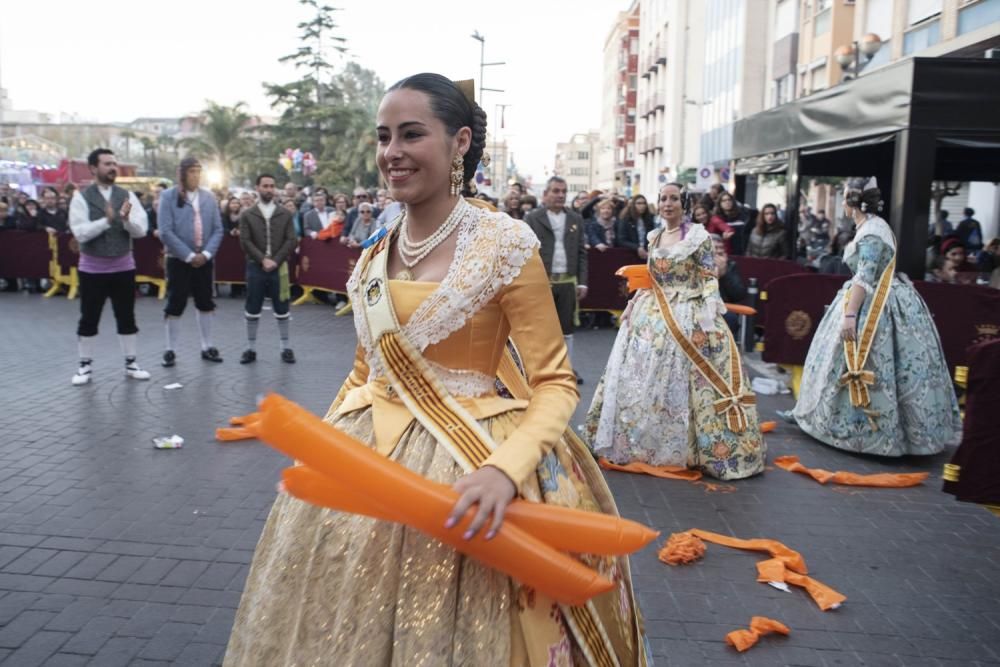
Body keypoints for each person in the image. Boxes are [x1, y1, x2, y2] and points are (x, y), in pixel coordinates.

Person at [225, 73, 647, 666]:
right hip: (367, 461)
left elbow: (555, 381)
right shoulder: (374, 252)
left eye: (411, 134)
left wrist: (505, 472)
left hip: (474, 464)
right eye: (383, 137)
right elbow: (363, 374)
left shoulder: (504, 242)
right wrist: (321, 447)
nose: (392, 153)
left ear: (460, 142)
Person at [585, 183, 764, 480]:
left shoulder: (698, 236)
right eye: (663, 199)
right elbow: (654, 278)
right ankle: (638, 442)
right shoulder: (654, 236)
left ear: (685, 204)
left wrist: (709, 310)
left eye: (673, 199)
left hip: (688, 310)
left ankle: (688, 444)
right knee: (641, 377)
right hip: (653, 312)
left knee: (685, 378)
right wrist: (635, 301)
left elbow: (708, 277)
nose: (667, 204)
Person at [784, 178, 961, 456]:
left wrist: (850, 315)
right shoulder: (871, 226)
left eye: (843, 198)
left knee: (876, 364)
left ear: (853, 203)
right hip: (886, 297)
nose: (842, 204)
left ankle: (868, 433)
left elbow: (865, 277)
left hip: (878, 305)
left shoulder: (871, 232)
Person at [67, 148, 151, 385]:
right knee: (89, 317)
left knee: (126, 316)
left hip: (123, 266)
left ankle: (131, 363)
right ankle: (84, 366)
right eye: (107, 164)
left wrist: (125, 221)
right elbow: (80, 233)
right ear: (93, 168)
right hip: (92, 269)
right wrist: (107, 221)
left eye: (114, 163)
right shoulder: (81, 198)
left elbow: (141, 231)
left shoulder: (127, 195)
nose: (113, 168)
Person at [157, 157, 225, 367]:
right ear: (182, 173)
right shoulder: (168, 197)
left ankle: (207, 346)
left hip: (203, 258)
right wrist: (188, 255)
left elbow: (217, 229)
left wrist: (205, 254)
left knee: (205, 302)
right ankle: (171, 349)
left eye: (198, 171)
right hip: (178, 260)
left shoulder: (208, 197)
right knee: (175, 303)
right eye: (192, 171)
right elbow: (166, 231)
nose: (196, 176)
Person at [524, 176, 588, 385]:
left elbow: (581, 253)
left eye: (563, 191)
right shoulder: (533, 218)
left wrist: (582, 282)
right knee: (541, 328)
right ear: (545, 194)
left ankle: (566, 370)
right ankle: (541, 371)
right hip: (542, 282)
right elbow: (525, 252)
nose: (561, 195)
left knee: (567, 328)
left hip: (568, 281)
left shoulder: (575, 218)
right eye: (556, 191)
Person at [237, 174, 297, 364]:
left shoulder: (285, 213)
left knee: (282, 309)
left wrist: (276, 260)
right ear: (257, 188)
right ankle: (251, 348)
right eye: (265, 186)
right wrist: (263, 259)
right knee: (252, 308)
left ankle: (285, 347)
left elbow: (291, 240)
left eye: (272, 186)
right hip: (256, 267)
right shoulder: (247, 214)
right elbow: (245, 241)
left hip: (279, 268)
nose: (269, 189)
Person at [713, 234, 747, 335]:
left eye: (721, 248)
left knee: (730, 319)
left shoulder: (731, 265)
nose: (719, 251)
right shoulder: (697, 263)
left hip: (723, 307)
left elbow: (739, 294)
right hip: (700, 307)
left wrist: (725, 274)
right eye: (715, 248)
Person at [617, 194, 652, 260]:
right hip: (630, 255)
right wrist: (637, 247)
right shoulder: (625, 219)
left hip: (647, 254)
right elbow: (621, 240)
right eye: (639, 203)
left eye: (644, 203)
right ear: (633, 205)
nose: (642, 206)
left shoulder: (649, 219)